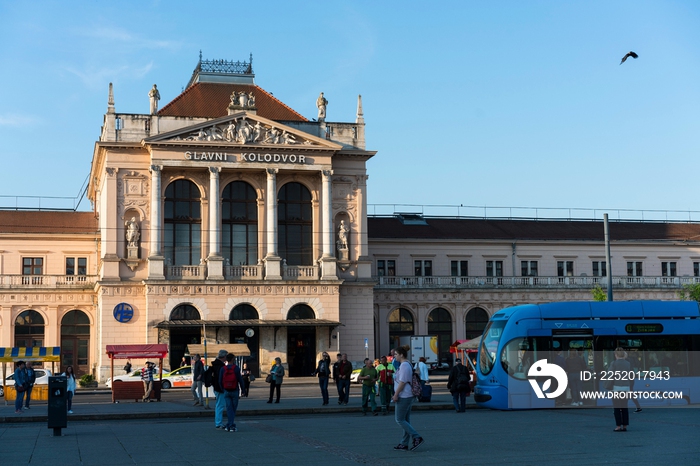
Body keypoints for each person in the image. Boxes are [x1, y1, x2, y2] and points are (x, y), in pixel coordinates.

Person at [392, 346, 424, 451]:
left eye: (396, 354)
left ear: (401, 354)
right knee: (405, 420)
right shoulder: (405, 364)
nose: (394, 356)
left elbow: (403, 382)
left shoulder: (405, 365)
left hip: (404, 395)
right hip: (406, 395)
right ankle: (404, 443)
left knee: (399, 419)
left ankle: (416, 437)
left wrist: (396, 394)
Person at [219, 353, 242, 432]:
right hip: (235, 390)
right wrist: (243, 390)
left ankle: (229, 425)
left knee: (229, 409)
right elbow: (240, 380)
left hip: (226, 391)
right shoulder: (236, 368)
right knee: (233, 409)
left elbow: (220, 381)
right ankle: (231, 425)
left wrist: (223, 389)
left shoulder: (223, 369)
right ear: (232, 359)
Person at [610, 347, 632, 432]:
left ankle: (618, 426)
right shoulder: (628, 363)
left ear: (616, 355)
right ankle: (625, 425)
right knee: (624, 407)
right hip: (626, 388)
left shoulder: (614, 363)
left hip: (616, 388)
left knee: (617, 407)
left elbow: (610, 375)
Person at [210, 350, 228, 429]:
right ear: (224, 357)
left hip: (216, 386)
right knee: (220, 405)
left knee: (219, 405)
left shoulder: (215, 364)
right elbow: (221, 378)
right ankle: (218, 422)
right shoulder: (221, 366)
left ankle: (218, 422)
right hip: (220, 387)